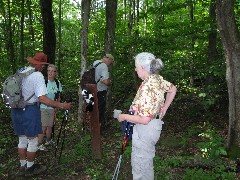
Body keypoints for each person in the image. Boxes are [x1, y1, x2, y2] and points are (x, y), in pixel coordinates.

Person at [113, 52, 177, 180]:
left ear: (142, 68)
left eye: (136, 66)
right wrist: (164, 108)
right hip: (152, 127)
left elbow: (145, 119)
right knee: (145, 165)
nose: (135, 69)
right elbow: (172, 89)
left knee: (141, 168)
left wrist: (124, 117)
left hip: (145, 130)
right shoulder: (155, 79)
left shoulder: (148, 86)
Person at [10, 52, 71, 177]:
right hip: (29, 110)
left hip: (16, 108)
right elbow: (42, 98)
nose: (43, 68)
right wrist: (61, 105)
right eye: (43, 65)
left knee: (22, 139)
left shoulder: (21, 70)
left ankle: (23, 165)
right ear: (41, 65)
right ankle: (31, 168)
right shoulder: (37, 75)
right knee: (32, 140)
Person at [38, 64, 62, 151]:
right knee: (43, 126)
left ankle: (48, 140)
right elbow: (41, 96)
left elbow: (58, 95)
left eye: (52, 71)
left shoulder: (57, 82)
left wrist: (57, 105)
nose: (50, 73)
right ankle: (39, 143)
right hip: (43, 107)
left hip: (53, 108)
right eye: (49, 71)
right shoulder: (43, 82)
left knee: (50, 125)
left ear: (56, 73)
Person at [93, 54, 114, 127]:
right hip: (100, 91)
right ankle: (98, 127)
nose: (110, 64)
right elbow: (106, 81)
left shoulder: (95, 62)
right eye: (111, 62)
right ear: (109, 59)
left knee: (93, 109)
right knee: (100, 110)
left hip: (92, 90)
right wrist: (110, 82)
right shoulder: (104, 66)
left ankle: (92, 126)